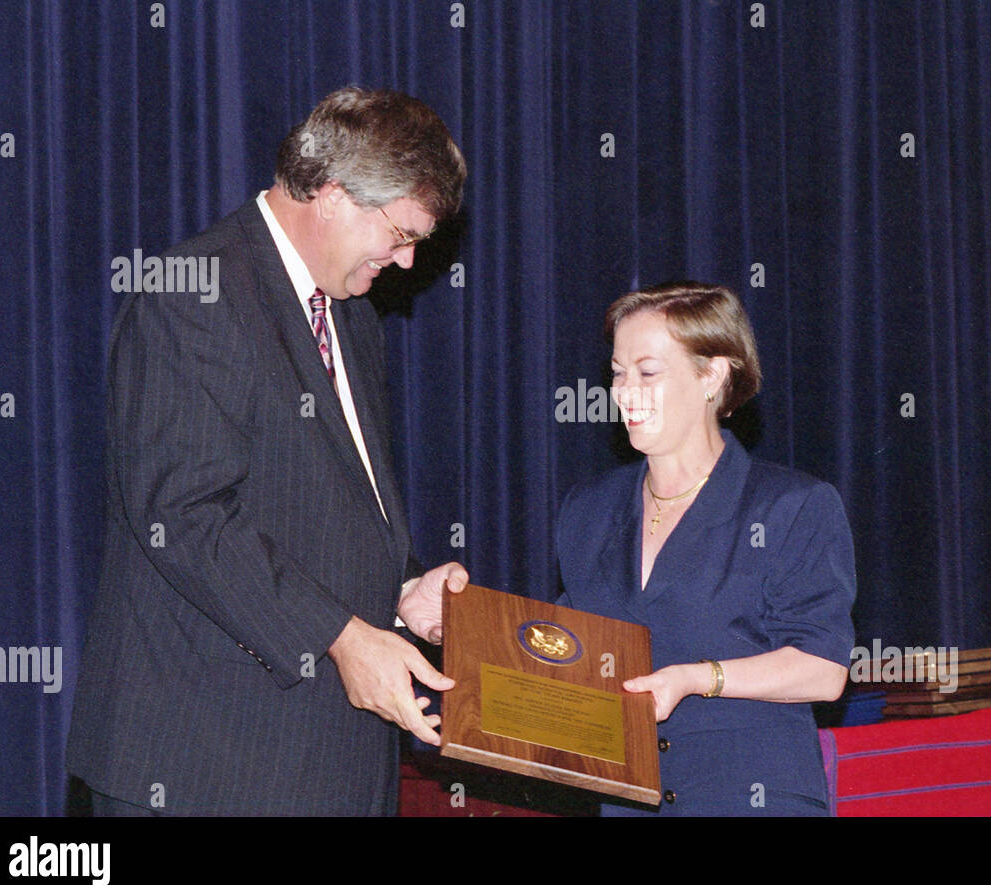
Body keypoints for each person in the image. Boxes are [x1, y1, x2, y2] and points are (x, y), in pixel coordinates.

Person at [67, 88, 469, 816]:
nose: (408, 263)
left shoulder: (352, 319)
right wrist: (344, 637)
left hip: (326, 768)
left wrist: (402, 594)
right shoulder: (192, 295)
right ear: (338, 195)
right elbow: (185, 518)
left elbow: (320, 510)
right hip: (206, 766)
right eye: (403, 233)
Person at [554, 282, 856, 816]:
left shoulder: (793, 505)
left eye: (648, 372)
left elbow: (823, 670)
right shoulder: (588, 510)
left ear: (713, 375)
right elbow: (567, 645)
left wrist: (697, 677)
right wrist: (455, 621)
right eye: (618, 372)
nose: (625, 392)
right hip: (628, 801)